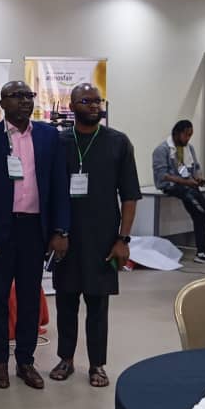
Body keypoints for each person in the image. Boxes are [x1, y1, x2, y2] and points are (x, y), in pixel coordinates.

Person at [0, 80, 70, 390]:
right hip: (0, 230)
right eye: (17, 96)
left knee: (28, 297)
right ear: (2, 102)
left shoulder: (49, 136)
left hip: (34, 228)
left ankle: (25, 361)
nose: (24, 101)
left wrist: (60, 230)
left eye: (28, 96)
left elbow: (59, 185)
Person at [50, 84, 140, 388]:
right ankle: (65, 359)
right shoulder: (59, 142)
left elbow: (130, 195)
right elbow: (49, 192)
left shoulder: (118, 142)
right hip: (66, 237)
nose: (93, 106)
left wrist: (123, 240)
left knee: (98, 306)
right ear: (71, 106)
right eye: (86, 101)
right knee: (66, 301)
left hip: (104, 239)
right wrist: (55, 233)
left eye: (97, 101)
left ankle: (97, 364)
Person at [152, 119, 205, 264]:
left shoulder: (188, 148)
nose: (188, 138)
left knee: (200, 214)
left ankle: (202, 252)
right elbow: (162, 175)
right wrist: (186, 182)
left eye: (190, 135)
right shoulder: (162, 150)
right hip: (170, 185)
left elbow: (195, 167)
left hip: (187, 185)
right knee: (189, 192)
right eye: (186, 135)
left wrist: (198, 178)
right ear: (177, 133)